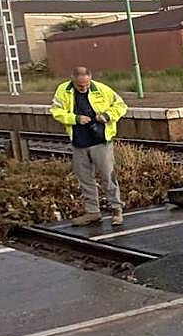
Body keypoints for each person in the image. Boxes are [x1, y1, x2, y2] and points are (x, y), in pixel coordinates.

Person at [50, 66, 129, 226]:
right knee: (85, 179)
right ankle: (92, 212)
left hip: (100, 140)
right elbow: (56, 111)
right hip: (79, 142)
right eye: (80, 86)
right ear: (73, 80)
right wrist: (75, 118)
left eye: (86, 85)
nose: (83, 88)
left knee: (108, 177)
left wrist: (107, 116)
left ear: (90, 79)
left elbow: (121, 106)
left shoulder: (102, 89)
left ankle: (117, 210)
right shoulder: (63, 91)